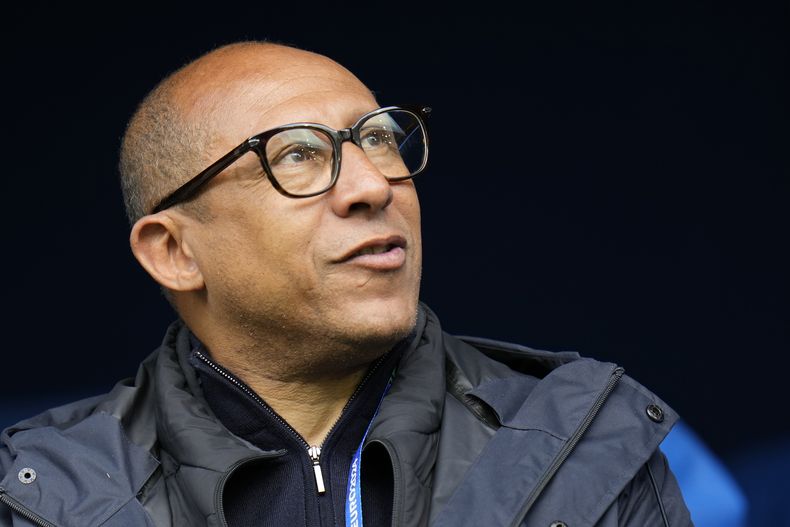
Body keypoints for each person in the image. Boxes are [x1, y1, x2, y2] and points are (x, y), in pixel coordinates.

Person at [0, 41, 692, 526]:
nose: (372, 184)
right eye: (298, 154)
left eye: (383, 138)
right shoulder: (40, 493)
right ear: (175, 251)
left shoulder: (581, 445)